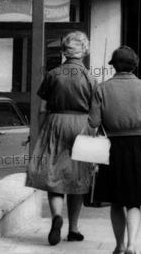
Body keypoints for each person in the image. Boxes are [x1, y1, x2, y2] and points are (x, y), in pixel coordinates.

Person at [88, 45, 141, 254]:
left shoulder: (101, 89)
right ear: (134, 65)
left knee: (116, 201)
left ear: (114, 66)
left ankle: (119, 245)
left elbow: (93, 122)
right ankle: (132, 245)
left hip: (112, 149)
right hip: (139, 147)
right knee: (135, 201)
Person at [26, 31, 97, 246]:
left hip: (55, 123)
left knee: (53, 173)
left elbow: (42, 107)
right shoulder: (90, 78)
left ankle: (56, 216)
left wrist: (38, 132)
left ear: (64, 51)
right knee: (79, 176)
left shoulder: (53, 74)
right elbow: (96, 112)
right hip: (82, 125)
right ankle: (73, 228)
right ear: (84, 51)